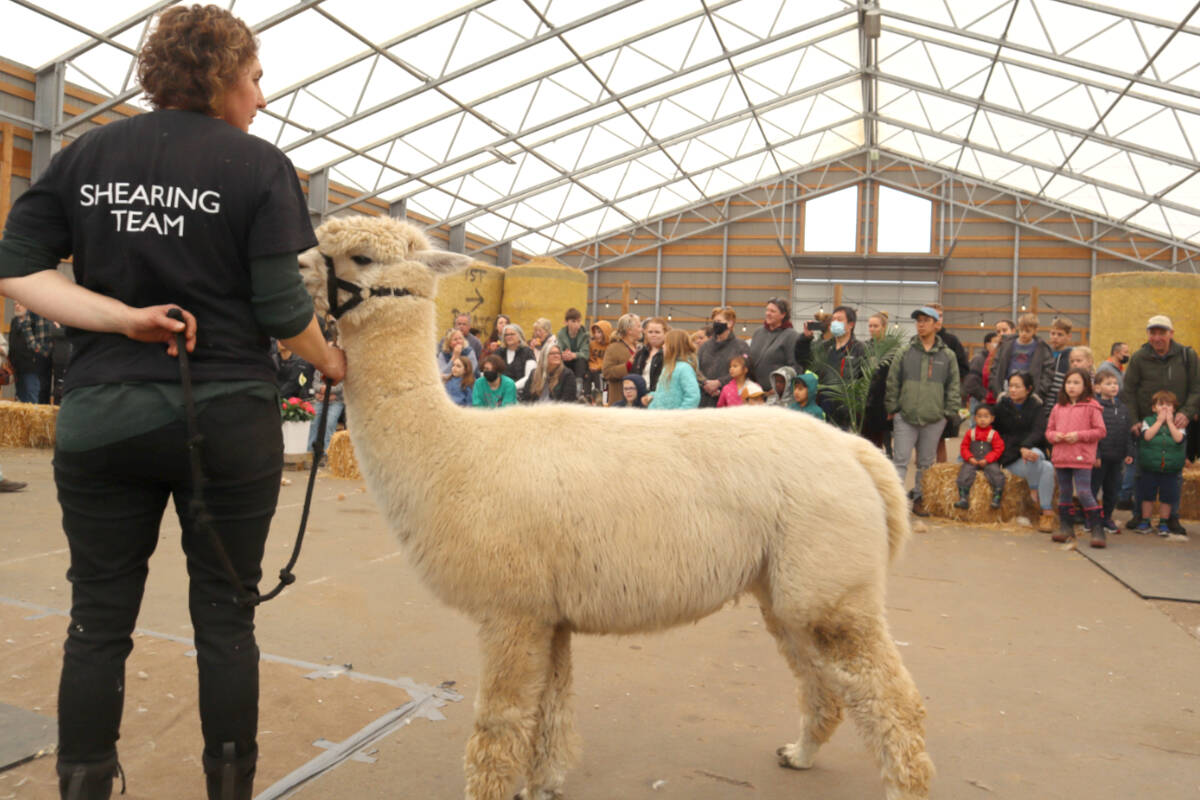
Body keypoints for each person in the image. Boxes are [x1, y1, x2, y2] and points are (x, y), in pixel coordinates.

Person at [0, 5, 347, 797]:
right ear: (223, 75)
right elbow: (279, 308)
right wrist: (330, 360)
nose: (261, 96)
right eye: (255, 78)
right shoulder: (260, 166)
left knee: (97, 621)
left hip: (103, 417)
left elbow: (18, 267)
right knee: (226, 619)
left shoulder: (87, 154)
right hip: (224, 419)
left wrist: (123, 318)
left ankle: (82, 784)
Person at [1123, 315, 1198, 534]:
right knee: (1141, 471)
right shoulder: (1139, 358)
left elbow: (1197, 388)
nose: (1157, 337)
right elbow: (1128, 391)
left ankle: (1171, 518)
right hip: (1148, 424)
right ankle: (1140, 515)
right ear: (1148, 334)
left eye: (1161, 333)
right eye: (1152, 333)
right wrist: (1135, 420)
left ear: (1171, 334)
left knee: (1174, 473)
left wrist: (1187, 412)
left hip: (1176, 424)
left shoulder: (1187, 356)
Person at [885, 306, 961, 517]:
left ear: (937, 324)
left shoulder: (948, 356)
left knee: (926, 463)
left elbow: (954, 385)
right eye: (918, 320)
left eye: (926, 320)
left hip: (934, 418)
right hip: (906, 417)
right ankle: (896, 504)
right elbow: (893, 381)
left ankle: (920, 499)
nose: (921, 324)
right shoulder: (904, 352)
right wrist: (894, 408)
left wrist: (948, 413)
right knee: (900, 461)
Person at [1045, 368, 1106, 546]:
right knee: (1064, 492)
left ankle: (1097, 529)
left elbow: (1100, 431)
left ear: (1086, 385)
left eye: (1076, 383)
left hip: (1082, 456)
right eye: (1069, 382)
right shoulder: (1058, 407)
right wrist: (1054, 436)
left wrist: (1078, 435)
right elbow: (1049, 430)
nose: (1071, 386)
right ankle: (1066, 527)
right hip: (1062, 456)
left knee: (1084, 492)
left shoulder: (1091, 407)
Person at [992, 372, 1056, 532]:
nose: (1012, 390)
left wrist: (1025, 447)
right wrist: (1020, 448)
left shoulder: (1036, 407)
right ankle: (1042, 503)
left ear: (1028, 389)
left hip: (1031, 454)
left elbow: (1039, 431)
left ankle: (1045, 510)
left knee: (1044, 463)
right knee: (1045, 466)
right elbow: (996, 435)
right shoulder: (1000, 408)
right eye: (1010, 386)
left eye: (1017, 386)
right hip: (1010, 458)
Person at [796, 304, 867, 429]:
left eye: (839, 319)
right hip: (823, 408)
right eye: (833, 320)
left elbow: (866, 381)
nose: (835, 323)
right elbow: (805, 361)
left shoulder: (859, 349)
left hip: (848, 413)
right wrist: (805, 338)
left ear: (851, 324)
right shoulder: (824, 347)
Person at [1134, 390, 1188, 537]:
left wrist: (1170, 422)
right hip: (1150, 466)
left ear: (1174, 409)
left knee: (1167, 497)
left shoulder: (1178, 423)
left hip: (1170, 468)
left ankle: (1163, 522)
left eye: (1169, 405)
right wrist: (1159, 421)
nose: (1165, 408)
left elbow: (1178, 439)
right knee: (1147, 496)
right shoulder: (1148, 421)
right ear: (1154, 408)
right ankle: (1145, 520)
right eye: (1161, 405)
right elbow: (1147, 436)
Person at [1092, 370, 1133, 536]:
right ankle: (1092, 518)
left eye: (1115, 383)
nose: (1113, 386)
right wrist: (1096, 454)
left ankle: (1107, 517)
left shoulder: (1123, 408)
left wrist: (1129, 451)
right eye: (1108, 384)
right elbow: (1093, 435)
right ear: (1097, 388)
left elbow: (1128, 433)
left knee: (1113, 489)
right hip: (1100, 459)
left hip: (1117, 458)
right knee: (1093, 488)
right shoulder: (1096, 408)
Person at [989, 313, 1056, 402]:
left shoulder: (1042, 348)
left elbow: (1048, 372)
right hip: (1007, 390)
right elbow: (995, 367)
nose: (1023, 334)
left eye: (1028, 331)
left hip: (1030, 393)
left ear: (1035, 331)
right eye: (1021, 330)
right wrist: (997, 390)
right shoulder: (1006, 345)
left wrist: (1038, 393)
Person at [954, 404, 1005, 510]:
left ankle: (997, 497)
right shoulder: (970, 433)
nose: (982, 420)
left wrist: (988, 459)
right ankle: (963, 498)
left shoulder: (994, 434)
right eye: (979, 416)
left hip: (988, 461)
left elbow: (998, 449)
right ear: (974, 418)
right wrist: (969, 458)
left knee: (996, 473)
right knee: (965, 472)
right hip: (973, 460)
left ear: (992, 419)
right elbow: (964, 447)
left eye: (986, 416)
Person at [697, 306, 749, 408]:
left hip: (729, 400)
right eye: (714, 321)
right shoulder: (705, 346)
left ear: (730, 323)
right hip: (704, 399)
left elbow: (744, 371)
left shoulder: (741, 346)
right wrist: (705, 383)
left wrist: (719, 383)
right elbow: (697, 368)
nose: (716, 324)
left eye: (719, 321)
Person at [862, 311, 896, 454]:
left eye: (875, 326)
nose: (872, 329)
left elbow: (894, 378)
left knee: (880, 440)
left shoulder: (892, 349)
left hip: (882, 401)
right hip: (865, 400)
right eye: (870, 326)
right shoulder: (864, 347)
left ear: (884, 327)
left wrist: (891, 405)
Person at [748, 297, 800, 389]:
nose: (768, 313)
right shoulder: (758, 332)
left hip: (776, 393)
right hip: (754, 391)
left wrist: (780, 387)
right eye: (767, 310)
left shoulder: (791, 336)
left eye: (772, 311)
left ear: (783, 314)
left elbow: (795, 367)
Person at [8, 301, 54, 403]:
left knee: (32, 400)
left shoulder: (35, 321)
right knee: (20, 399)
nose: (17, 306)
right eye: (15, 304)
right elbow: (12, 343)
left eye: (20, 304)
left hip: (32, 368)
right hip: (17, 368)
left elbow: (43, 344)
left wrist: (36, 356)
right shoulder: (14, 321)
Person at [647, 329, 700, 410]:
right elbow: (664, 393)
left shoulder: (684, 368)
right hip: (662, 418)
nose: (663, 346)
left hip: (675, 420)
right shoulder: (667, 367)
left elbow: (693, 396)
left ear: (673, 346)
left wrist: (679, 416)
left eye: (665, 343)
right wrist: (652, 397)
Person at [602, 313, 641, 406]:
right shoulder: (613, 348)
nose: (641, 329)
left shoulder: (639, 347)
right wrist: (628, 366)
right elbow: (607, 372)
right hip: (619, 400)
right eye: (639, 326)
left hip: (637, 401)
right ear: (629, 330)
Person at [963, 332, 999, 414]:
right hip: (979, 401)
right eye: (995, 342)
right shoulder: (979, 359)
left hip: (992, 402)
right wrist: (984, 396)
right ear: (987, 345)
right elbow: (970, 383)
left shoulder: (997, 360)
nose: (998, 345)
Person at [631, 316, 667, 394]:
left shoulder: (668, 354)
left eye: (657, 332)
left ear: (665, 333)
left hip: (658, 397)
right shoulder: (640, 353)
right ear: (646, 333)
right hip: (640, 396)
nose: (653, 335)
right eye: (650, 332)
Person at [555, 308, 590, 386]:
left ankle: (578, 386)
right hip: (566, 360)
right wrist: (563, 354)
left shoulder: (585, 335)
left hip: (579, 363)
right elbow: (558, 349)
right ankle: (560, 385)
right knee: (559, 361)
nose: (577, 324)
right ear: (566, 322)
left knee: (581, 361)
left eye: (579, 321)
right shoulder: (561, 334)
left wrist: (574, 355)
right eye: (573, 321)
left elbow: (586, 353)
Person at [498, 323, 537, 392]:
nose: (509, 337)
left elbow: (529, 376)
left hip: (520, 393)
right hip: (499, 391)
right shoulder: (499, 352)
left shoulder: (527, 352)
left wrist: (512, 387)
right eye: (506, 335)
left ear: (519, 336)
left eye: (512, 334)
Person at [1044, 316, 1074, 403]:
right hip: (1045, 400)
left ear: (1069, 336)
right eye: (1053, 334)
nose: (1055, 337)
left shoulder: (1072, 356)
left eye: (1060, 334)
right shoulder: (1045, 354)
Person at [585, 319, 611, 404]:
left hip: (604, 369)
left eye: (599, 332)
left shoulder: (611, 345)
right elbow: (591, 358)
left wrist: (598, 367)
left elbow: (609, 361)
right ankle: (587, 397)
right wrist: (591, 365)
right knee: (587, 374)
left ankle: (599, 398)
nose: (596, 335)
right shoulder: (592, 344)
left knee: (598, 375)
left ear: (605, 333)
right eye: (595, 332)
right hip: (593, 368)